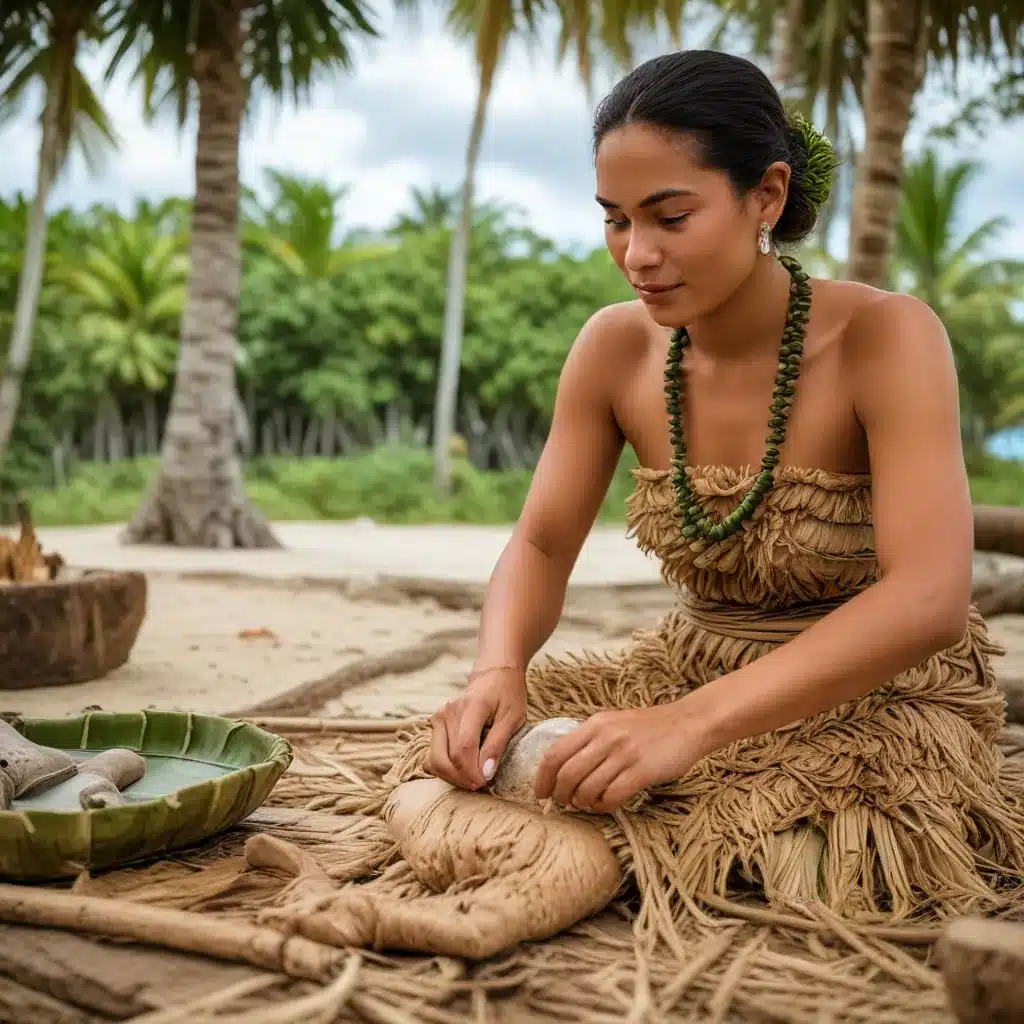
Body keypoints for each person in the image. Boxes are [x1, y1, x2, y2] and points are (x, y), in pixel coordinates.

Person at [421, 48, 1024, 917]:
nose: (638, 254)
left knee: (792, 864)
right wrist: (498, 668)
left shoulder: (888, 337)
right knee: (468, 763)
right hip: (687, 667)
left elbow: (928, 597)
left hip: (879, 699)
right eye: (615, 220)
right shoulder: (614, 347)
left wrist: (689, 728)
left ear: (766, 197)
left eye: (670, 216)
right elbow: (544, 541)